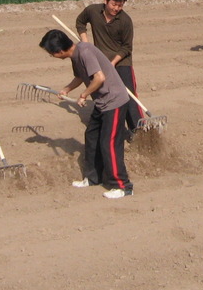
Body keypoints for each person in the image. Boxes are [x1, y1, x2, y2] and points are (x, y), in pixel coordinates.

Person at [39, 29, 133, 199]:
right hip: (102, 102)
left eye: (51, 54)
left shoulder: (85, 52)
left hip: (114, 101)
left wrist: (84, 95)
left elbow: (99, 78)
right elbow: (81, 76)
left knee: (109, 143)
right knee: (92, 137)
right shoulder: (75, 55)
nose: (52, 56)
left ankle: (123, 186)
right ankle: (92, 178)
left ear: (59, 51)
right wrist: (67, 89)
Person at [75, 0, 142, 135]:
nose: (116, 8)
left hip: (121, 61)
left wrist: (112, 64)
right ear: (105, 1)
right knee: (105, 94)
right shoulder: (92, 11)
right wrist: (85, 43)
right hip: (101, 60)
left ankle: (138, 131)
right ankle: (109, 124)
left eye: (120, 5)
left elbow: (126, 48)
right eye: (114, 4)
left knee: (128, 96)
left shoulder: (125, 21)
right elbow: (80, 22)